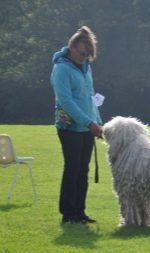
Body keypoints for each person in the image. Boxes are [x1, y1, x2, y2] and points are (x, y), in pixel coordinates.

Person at [50, 26, 103, 224]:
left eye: (88, 55)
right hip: (70, 127)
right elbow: (66, 101)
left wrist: (98, 121)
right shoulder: (61, 68)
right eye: (82, 53)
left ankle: (80, 211)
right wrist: (90, 123)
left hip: (87, 126)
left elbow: (90, 96)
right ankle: (68, 213)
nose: (84, 57)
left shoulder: (85, 67)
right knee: (72, 168)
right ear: (72, 46)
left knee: (83, 170)